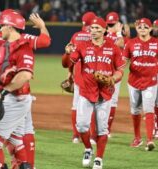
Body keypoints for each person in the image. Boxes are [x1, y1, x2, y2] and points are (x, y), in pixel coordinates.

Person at [0, 9, 50, 169]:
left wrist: (2, 92)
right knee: (15, 137)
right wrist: (42, 26)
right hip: (8, 92)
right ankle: (26, 166)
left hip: (10, 93)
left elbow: (25, 74)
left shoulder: (15, 44)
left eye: (1, 25)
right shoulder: (18, 40)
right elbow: (45, 40)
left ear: (9, 26)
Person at [68, 17, 124, 169]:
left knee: (102, 129)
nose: (94, 31)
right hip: (86, 91)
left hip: (105, 93)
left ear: (105, 30)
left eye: (98, 28)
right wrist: (68, 54)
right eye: (92, 28)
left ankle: (99, 158)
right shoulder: (82, 45)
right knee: (81, 126)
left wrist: (113, 79)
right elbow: (70, 62)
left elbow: (120, 70)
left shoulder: (113, 48)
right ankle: (88, 148)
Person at [122, 18, 158, 151]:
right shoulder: (130, 44)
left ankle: (150, 140)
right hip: (133, 82)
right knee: (135, 110)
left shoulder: (157, 44)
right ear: (137, 28)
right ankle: (137, 137)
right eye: (140, 26)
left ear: (150, 29)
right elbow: (123, 63)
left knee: (149, 109)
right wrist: (115, 76)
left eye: (146, 26)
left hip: (151, 81)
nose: (143, 28)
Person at [62, 11, 96, 144]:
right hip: (92, 75)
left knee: (76, 105)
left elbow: (71, 56)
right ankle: (92, 137)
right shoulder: (94, 35)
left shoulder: (76, 36)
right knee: (93, 105)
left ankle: (76, 136)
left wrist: (70, 73)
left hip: (77, 75)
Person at [104, 11, 125, 138]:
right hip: (104, 70)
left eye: (113, 24)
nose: (111, 27)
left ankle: (107, 129)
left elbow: (122, 44)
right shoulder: (104, 35)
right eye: (110, 25)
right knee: (100, 100)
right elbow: (119, 43)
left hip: (116, 73)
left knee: (113, 102)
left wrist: (120, 33)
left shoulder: (121, 36)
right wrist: (118, 32)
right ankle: (99, 127)